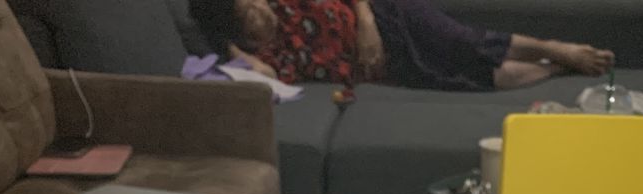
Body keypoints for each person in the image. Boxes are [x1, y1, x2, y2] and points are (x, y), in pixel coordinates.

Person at [190, 0, 614, 92]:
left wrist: (367, 23)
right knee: (485, 78)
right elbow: (262, 80)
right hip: (380, 68)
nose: (254, 10)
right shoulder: (249, 53)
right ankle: (557, 67)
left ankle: (556, 49)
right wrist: (235, 54)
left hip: (382, 17)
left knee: (463, 42)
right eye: (241, 8)